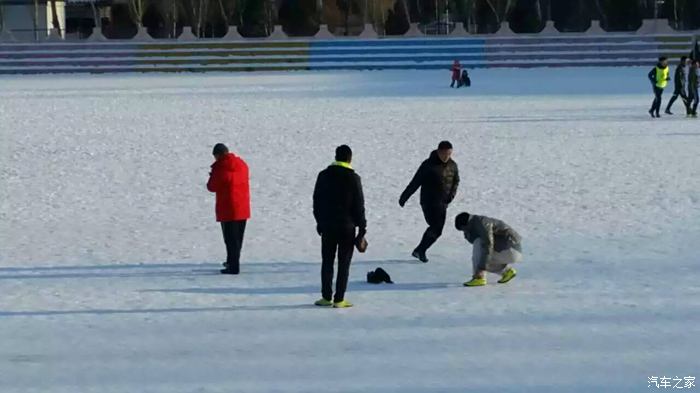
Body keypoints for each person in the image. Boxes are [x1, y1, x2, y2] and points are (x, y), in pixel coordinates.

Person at [313, 145, 367, 308]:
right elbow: (359, 205)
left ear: (336, 157)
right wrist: (362, 228)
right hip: (347, 227)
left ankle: (326, 296)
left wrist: (320, 221)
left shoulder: (323, 176)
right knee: (344, 263)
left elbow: (316, 201)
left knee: (327, 261)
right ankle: (339, 299)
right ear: (350, 158)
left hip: (328, 225)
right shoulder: (353, 178)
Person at [399, 141, 459, 263]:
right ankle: (420, 250)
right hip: (429, 201)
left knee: (437, 229)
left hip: (443, 202)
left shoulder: (453, 165)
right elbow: (415, 182)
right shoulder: (428, 165)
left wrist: (451, 196)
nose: (446, 157)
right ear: (438, 152)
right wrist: (405, 196)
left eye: (449, 154)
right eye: (444, 154)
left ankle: (419, 250)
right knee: (436, 227)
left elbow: (456, 181)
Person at [206, 143, 250, 275]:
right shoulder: (241, 164)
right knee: (237, 239)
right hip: (242, 207)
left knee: (230, 239)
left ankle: (233, 267)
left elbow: (211, 186)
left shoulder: (221, 168)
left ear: (218, 155)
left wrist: (212, 175)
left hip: (228, 208)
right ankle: (232, 261)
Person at [454, 212, 522, 287]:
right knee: (484, 259)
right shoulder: (477, 223)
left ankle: (479, 277)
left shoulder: (481, 223)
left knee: (480, 245)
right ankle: (507, 271)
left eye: (463, 229)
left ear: (466, 224)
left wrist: (480, 269)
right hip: (511, 250)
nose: (464, 231)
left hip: (510, 249)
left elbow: (488, 244)